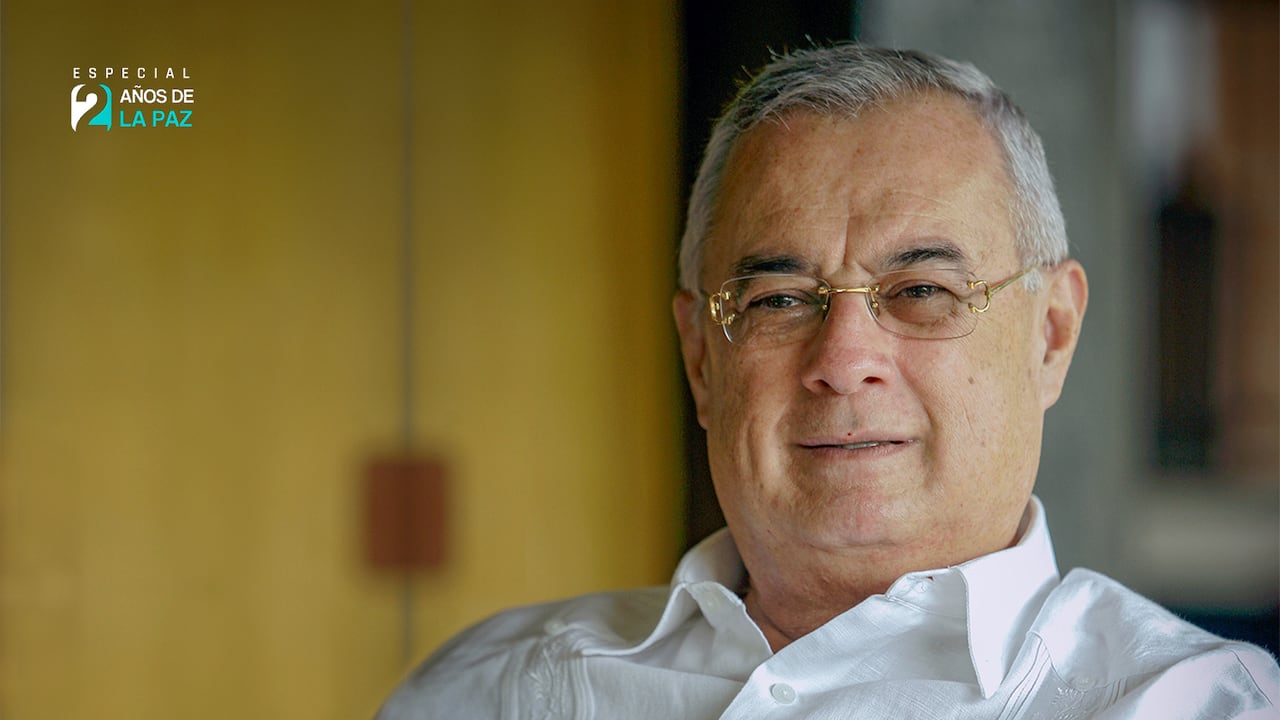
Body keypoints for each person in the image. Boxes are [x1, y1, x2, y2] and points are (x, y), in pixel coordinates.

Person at [377, 44, 1278, 719]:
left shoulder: (1190, 706)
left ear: (1051, 335)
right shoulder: (495, 689)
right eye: (777, 300)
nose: (843, 361)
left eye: (921, 291)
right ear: (701, 357)